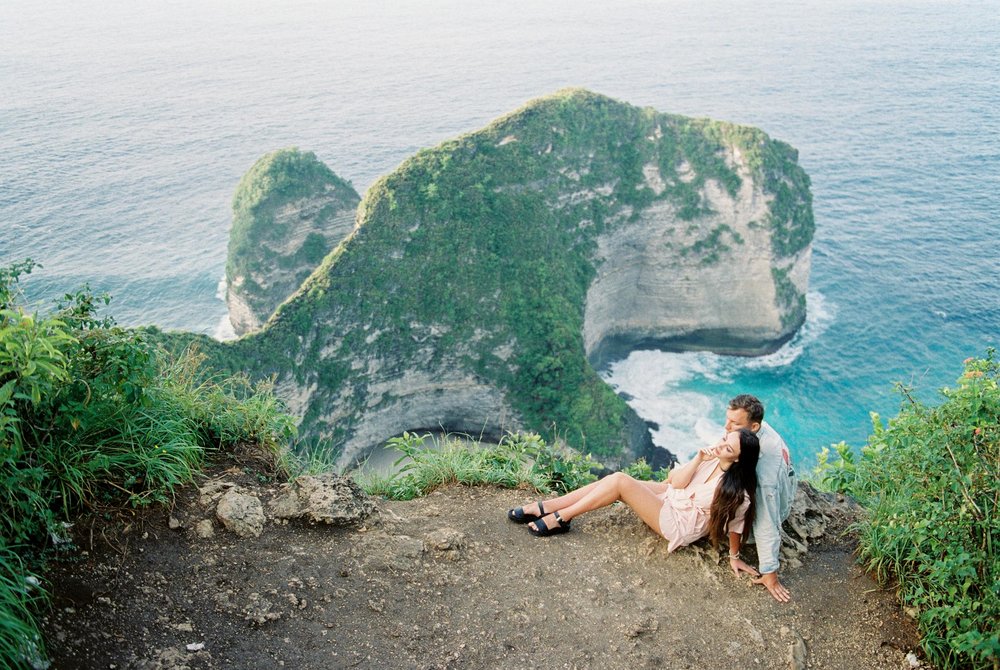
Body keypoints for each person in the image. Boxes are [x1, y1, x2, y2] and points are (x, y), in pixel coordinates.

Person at [507, 429, 760, 560]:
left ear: (739, 458)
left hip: (680, 523)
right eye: (725, 437)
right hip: (672, 496)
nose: (721, 444)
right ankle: (548, 506)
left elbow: (737, 525)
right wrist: (699, 458)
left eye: (728, 446)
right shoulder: (711, 459)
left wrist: (734, 556)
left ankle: (561, 518)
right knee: (612, 480)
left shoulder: (738, 492)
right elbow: (677, 483)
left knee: (619, 481)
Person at [723, 394, 797, 603]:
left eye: (734, 424)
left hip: (773, 503)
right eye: (727, 419)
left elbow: (767, 521)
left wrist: (769, 573)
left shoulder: (764, 472)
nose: (726, 427)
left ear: (753, 427)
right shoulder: (755, 430)